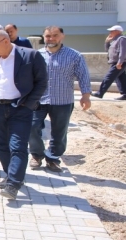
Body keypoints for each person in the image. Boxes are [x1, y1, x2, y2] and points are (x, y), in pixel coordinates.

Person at [0, 30, 48, 200]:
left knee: (17, 146)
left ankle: (13, 184)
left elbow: (42, 81)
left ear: (5, 41)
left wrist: (28, 104)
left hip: (20, 108)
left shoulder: (30, 56)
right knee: (1, 146)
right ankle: (10, 175)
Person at [29, 26, 91, 172]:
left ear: (62, 36)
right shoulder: (37, 55)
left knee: (59, 132)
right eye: (47, 36)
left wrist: (86, 96)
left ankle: (53, 158)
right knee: (32, 127)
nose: (51, 39)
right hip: (39, 100)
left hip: (63, 100)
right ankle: (37, 155)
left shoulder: (74, 55)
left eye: (54, 35)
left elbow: (83, 76)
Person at [91, 25, 126, 101]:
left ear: (118, 31)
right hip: (116, 62)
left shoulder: (122, 39)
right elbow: (108, 50)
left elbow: (123, 52)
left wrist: (120, 62)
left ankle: (100, 93)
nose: (110, 32)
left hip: (120, 62)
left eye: (112, 31)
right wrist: (107, 42)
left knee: (108, 77)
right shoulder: (114, 40)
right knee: (121, 78)